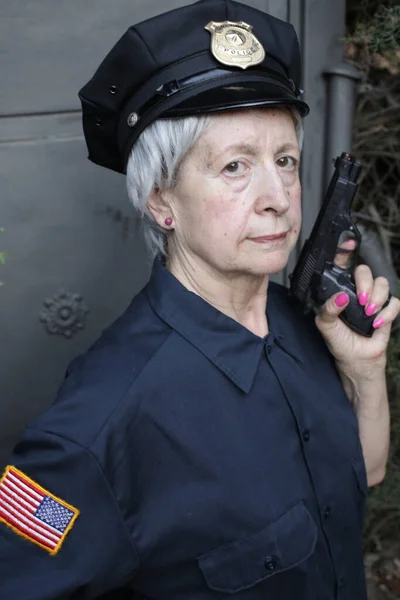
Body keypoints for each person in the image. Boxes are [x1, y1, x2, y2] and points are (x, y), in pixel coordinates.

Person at [0, 1, 399, 598]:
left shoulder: (302, 322)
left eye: (284, 161)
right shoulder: (88, 434)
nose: (277, 198)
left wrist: (365, 372)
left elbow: (362, 474)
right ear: (162, 202)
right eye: (235, 166)